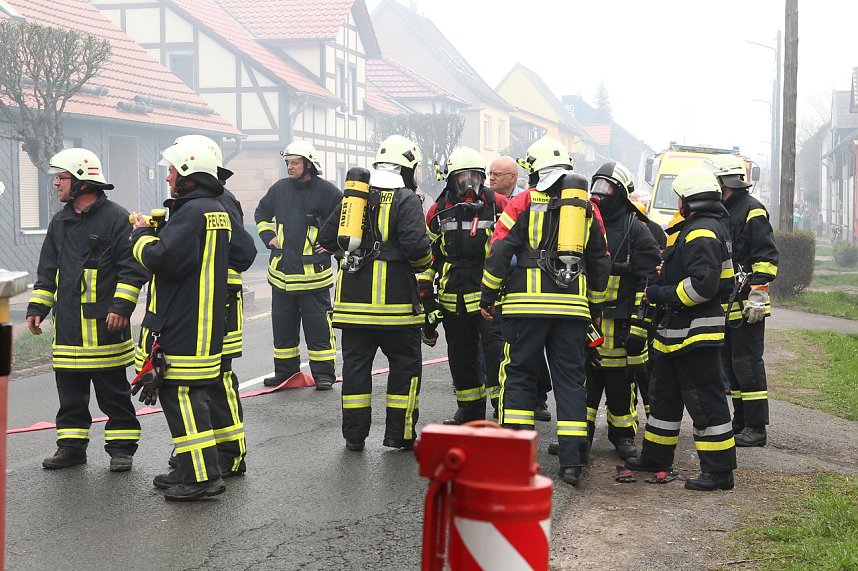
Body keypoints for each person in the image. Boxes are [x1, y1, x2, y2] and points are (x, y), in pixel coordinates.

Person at [480, 136, 611, 486]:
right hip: (572, 310)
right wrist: (594, 306)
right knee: (570, 381)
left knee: (520, 377)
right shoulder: (587, 206)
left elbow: (498, 249)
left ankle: (518, 460)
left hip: (525, 307)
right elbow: (600, 259)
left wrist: (488, 295)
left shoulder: (522, 201)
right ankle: (572, 463)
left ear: (534, 168)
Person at [26, 148, 146, 472]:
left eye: (61, 178)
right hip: (68, 327)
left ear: (82, 182)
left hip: (105, 325)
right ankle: (71, 448)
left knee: (114, 395)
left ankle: (121, 449)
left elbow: (132, 268)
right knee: (70, 396)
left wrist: (121, 306)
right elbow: (47, 268)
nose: (56, 184)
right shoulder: (60, 221)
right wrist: (38, 306)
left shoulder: (117, 218)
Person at [130, 139, 231, 501]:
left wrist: (141, 236)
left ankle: (202, 478)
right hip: (202, 322)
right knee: (187, 400)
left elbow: (161, 259)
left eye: (173, 170)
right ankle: (191, 470)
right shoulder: (212, 209)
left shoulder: (192, 213)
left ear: (189, 174)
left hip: (185, 324)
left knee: (184, 400)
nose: (169, 176)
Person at [317, 134, 432, 452]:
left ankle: (354, 436)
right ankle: (399, 434)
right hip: (396, 307)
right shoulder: (406, 199)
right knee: (405, 369)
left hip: (353, 306)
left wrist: (349, 256)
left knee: (355, 370)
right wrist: (423, 263)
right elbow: (416, 248)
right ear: (407, 166)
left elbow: (328, 237)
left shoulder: (354, 196)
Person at [626, 167, 737, 491]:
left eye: (679, 199)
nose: (677, 205)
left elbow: (704, 286)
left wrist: (660, 293)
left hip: (695, 333)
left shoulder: (701, 231)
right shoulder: (697, 228)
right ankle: (656, 457)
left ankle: (718, 472)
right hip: (675, 332)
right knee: (664, 398)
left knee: (705, 401)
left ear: (689, 201)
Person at [164, 135, 257, 477]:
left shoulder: (218, 202)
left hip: (216, 311)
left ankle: (229, 454)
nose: (170, 176)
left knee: (217, 382)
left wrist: (208, 267)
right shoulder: (206, 201)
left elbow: (245, 252)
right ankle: (206, 455)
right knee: (208, 384)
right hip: (212, 308)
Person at [421, 147, 508, 424]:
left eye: (475, 177)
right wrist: (426, 296)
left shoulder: (499, 204)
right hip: (453, 294)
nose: (470, 184)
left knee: (496, 353)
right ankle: (470, 409)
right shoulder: (438, 210)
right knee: (460, 354)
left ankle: (502, 408)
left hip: (489, 294)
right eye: (463, 178)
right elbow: (428, 256)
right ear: (451, 180)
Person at [584, 162, 660, 461]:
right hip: (587, 319)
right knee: (584, 384)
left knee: (620, 383)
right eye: (597, 185)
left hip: (620, 325)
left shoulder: (636, 229)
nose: (600, 193)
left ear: (621, 193)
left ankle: (623, 436)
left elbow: (650, 279)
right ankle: (579, 437)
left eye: (607, 187)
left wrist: (640, 326)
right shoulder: (584, 222)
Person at [255, 141, 341, 390]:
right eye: (287, 163)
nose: (289, 167)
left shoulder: (328, 192)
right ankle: (285, 373)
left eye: (295, 163)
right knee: (282, 329)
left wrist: (334, 244)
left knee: (318, 328)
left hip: (314, 278)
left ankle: (324, 375)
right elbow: (261, 214)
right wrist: (268, 236)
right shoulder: (279, 189)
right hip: (281, 275)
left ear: (309, 164)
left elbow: (348, 220)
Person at [710, 154, 779, 447]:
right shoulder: (723, 212)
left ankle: (756, 427)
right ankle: (740, 421)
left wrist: (757, 298)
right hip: (729, 304)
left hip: (748, 306)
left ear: (725, 182)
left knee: (748, 364)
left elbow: (767, 259)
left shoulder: (752, 211)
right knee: (732, 366)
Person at [489, 155, 553, 422]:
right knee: (511, 346)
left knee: (527, 345)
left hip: (523, 280)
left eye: (497, 174)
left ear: (513, 177)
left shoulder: (526, 201)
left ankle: (537, 399)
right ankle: (514, 399)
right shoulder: (488, 203)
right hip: (502, 277)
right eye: (489, 173)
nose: (491, 178)